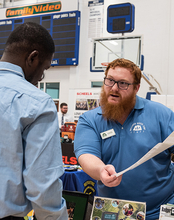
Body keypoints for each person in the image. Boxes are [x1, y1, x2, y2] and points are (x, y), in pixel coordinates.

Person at [74, 58, 174, 220]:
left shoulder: (161, 114)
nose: (114, 88)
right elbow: (86, 155)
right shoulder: (90, 119)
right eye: (110, 81)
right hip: (113, 211)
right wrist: (101, 170)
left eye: (123, 84)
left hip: (160, 209)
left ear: (136, 88)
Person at [0, 22, 68, 219]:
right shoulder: (36, 102)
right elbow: (42, 185)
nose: (40, 78)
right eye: (44, 68)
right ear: (33, 58)